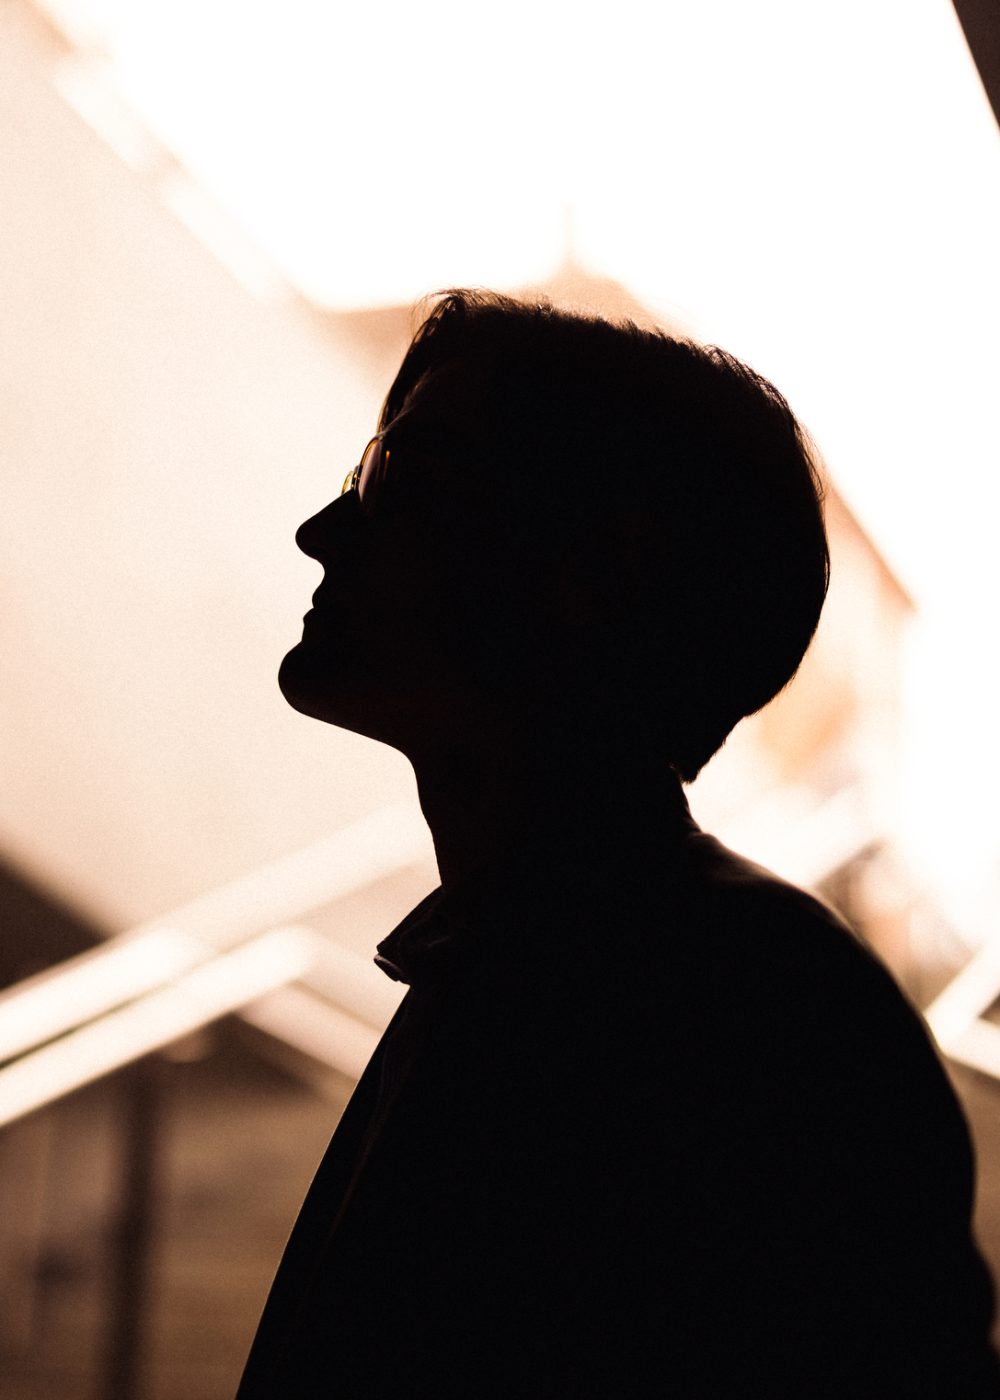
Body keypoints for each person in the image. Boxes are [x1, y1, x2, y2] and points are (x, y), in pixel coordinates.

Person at [236, 291, 1000, 1397]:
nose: (324, 529)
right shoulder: (544, 963)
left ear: (594, 573)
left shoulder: (746, 1018)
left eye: (399, 478)